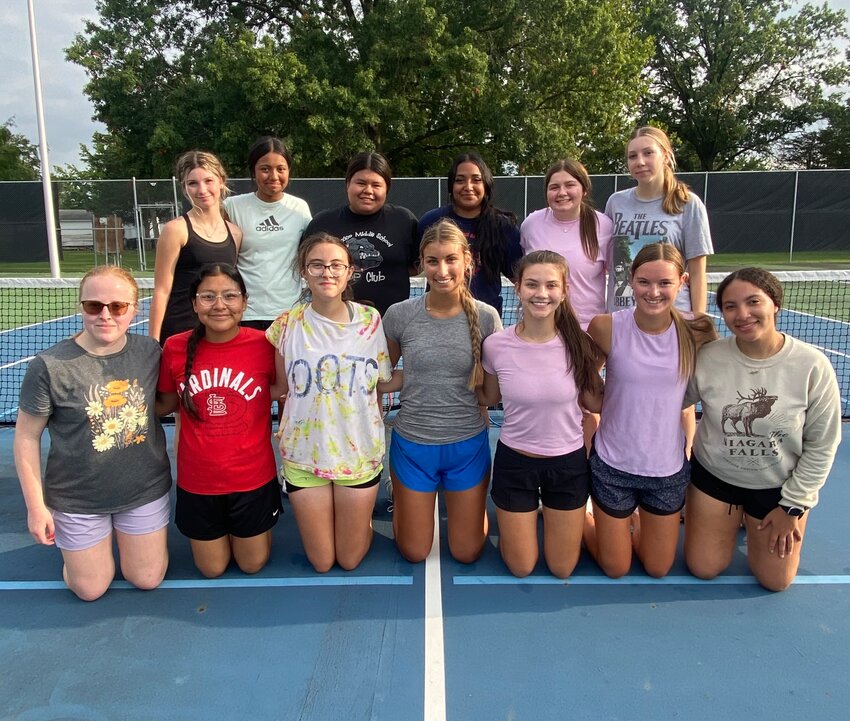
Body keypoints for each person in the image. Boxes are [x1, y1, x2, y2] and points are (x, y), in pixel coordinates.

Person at [14, 266, 171, 601]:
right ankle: (81, 557)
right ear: (80, 306)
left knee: (146, 578)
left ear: (134, 309)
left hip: (142, 489)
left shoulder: (150, 352)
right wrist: (35, 507)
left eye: (117, 306)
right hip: (78, 497)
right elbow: (26, 437)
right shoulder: (48, 365)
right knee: (90, 589)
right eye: (93, 306)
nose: (105, 315)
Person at [684, 268, 841, 591]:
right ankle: (730, 517)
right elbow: (665, 399)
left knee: (775, 581)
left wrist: (793, 506)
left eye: (753, 302)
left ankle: (752, 519)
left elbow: (823, 443)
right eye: (730, 306)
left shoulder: (812, 365)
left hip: (777, 490)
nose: (743, 314)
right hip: (715, 479)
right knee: (704, 567)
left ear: (775, 304)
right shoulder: (710, 357)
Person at [582, 243, 717, 579]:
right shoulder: (606, 326)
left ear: (682, 281)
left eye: (664, 283)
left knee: (657, 568)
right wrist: (608, 401)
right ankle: (582, 520)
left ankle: (631, 519)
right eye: (644, 282)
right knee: (616, 567)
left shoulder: (697, 331)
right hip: (612, 465)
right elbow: (587, 387)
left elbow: (709, 388)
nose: (653, 292)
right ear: (631, 279)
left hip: (667, 471)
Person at [266, 233, 398, 572]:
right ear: (303, 271)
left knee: (349, 559)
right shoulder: (286, 325)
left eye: (336, 265)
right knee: (323, 562)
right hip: (304, 453)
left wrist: (434, 375)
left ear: (350, 271)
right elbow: (280, 387)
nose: (327, 272)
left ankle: (358, 524)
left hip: (358, 452)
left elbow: (382, 383)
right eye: (317, 265)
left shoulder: (370, 321)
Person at [383, 218, 503, 563]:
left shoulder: (486, 317)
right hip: (413, 446)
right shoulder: (399, 315)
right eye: (432, 261)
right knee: (414, 551)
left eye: (451, 259)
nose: (442, 269)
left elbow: (490, 395)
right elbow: (386, 376)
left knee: (466, 552)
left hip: (466, 446)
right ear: (421, 263)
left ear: (468, 261)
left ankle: (466, 503)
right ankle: (404, 499)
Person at [478, 251, 602, 578]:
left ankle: (585, 519)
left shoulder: (581, 345)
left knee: (562, 569)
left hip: (568, 465)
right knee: (521, 567)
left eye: (550, 285)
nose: (541, 294)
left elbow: (596, 403)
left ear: (564, 291)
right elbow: (489, 396)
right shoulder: (496, 345)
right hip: (515, 464)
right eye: (532, 284)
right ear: (517, 287)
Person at [157, 263, 281, 577]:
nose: (220, 305)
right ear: (194, 303)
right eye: (208, 297)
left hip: (252, 478)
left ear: (244, 300)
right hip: (198, 481)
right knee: (211, 569)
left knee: (252, 564)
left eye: (229, 296)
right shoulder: (174, 347)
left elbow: (285, 390)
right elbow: (165, 404)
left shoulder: (266, 345)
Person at [605, 126, 714, 457]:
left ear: (666, 156)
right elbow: (611, 261)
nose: (639, 161)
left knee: (677, 401)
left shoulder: (688, 205)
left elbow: (697, 271)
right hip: (624, 317)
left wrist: (696, 318)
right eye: (632, 156)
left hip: (672, 319)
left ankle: (681, 466)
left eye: (647, 153)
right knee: (621, 393)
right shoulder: (616, 202)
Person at [302, 152, 418, 315]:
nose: (368, 190)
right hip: (336, 324)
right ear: (348, 184)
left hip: (391, 326)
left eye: (376, 185)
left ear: (387, 188)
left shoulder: (404, 221)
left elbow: (416, 267)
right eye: (361, 183)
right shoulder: (323, 223)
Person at [149, 150, 241, 343]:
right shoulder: (175, 230)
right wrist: (153, 343)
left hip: (217, 333)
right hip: (179, 331)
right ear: (184, 188)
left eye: (208, 181)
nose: (202, 189)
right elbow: (161, 291)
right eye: (193, 183)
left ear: (221, 181)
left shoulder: (235, 233)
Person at [223, 136, 312, 330]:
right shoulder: (231, 207)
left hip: (290, 313)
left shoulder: (299, 209)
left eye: (281, 169)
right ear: (253, 172)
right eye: (265, 169)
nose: (273, 176)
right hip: (245, 313)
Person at [418, 152, 522, 316]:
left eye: (476, 179)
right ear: (451, 186)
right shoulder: (431, 222)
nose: (468, 186)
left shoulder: (503, 227)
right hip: (436, 318)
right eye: (460, 180)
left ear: (486, 185)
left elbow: (519, 279)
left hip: (484, 321)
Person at [520, 159, 613, 330]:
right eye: (554, 187)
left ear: (584, 189)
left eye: (570, 185)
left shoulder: (604, 226)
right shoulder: (531, 225)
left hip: (588, 330)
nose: (562, 192)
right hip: (540, 329)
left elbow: (616, 278)